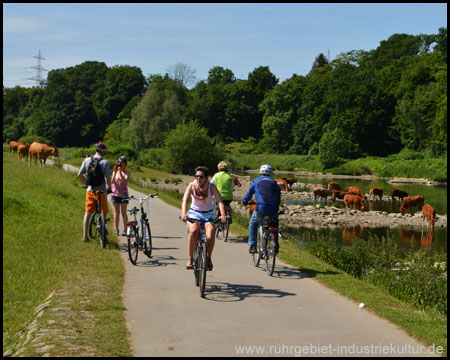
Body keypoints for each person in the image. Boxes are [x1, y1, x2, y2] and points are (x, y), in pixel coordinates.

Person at [181, 166, 227, 271]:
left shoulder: (211, 187)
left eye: (201, 177)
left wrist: (222, 214)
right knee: (193, 231)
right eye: (196, 176)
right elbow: (185, 200)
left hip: (208, 214)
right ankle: (190, 258)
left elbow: (219, 201)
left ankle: (208, 257)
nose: (198, 178)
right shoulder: (192, 186)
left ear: (206, 178)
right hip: (194, 213)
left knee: (210, 234)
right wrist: (184, 213)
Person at [242, 164, 281, 254]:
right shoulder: (274, 182)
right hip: (273, 208)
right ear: (271, 173)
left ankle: (252, 245)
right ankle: (276, 245)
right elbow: (278, 196)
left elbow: (249, 193)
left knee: (252, 224)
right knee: (274, 225)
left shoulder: (256, 181)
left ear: (260, 172)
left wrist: (244, 201)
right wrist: (276, 207)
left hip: (261, 208)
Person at [78, 142, 112, 242]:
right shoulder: (105, 162)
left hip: (90, 190)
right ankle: (103, 234)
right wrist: (110, 188)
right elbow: (108, 178)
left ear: (95, 150)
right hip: (101, 190)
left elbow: (79, 174)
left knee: (87, 213)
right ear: (103, 152)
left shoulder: (87, 160)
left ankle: (85, 236)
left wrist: (87, 184)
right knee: (103, 212)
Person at [111, 156, 130, 236]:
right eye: (119, 163)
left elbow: (125, 181)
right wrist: (115, 172)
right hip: (115, 194)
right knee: (116, 212)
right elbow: (112, 181)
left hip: (124, 194)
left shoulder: (127, 173)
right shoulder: (115, 172)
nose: (120, 164)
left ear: (125, 164)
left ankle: (125, 229)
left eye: (122, 163)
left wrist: (121, 172)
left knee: (123, 212)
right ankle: (116, 229)